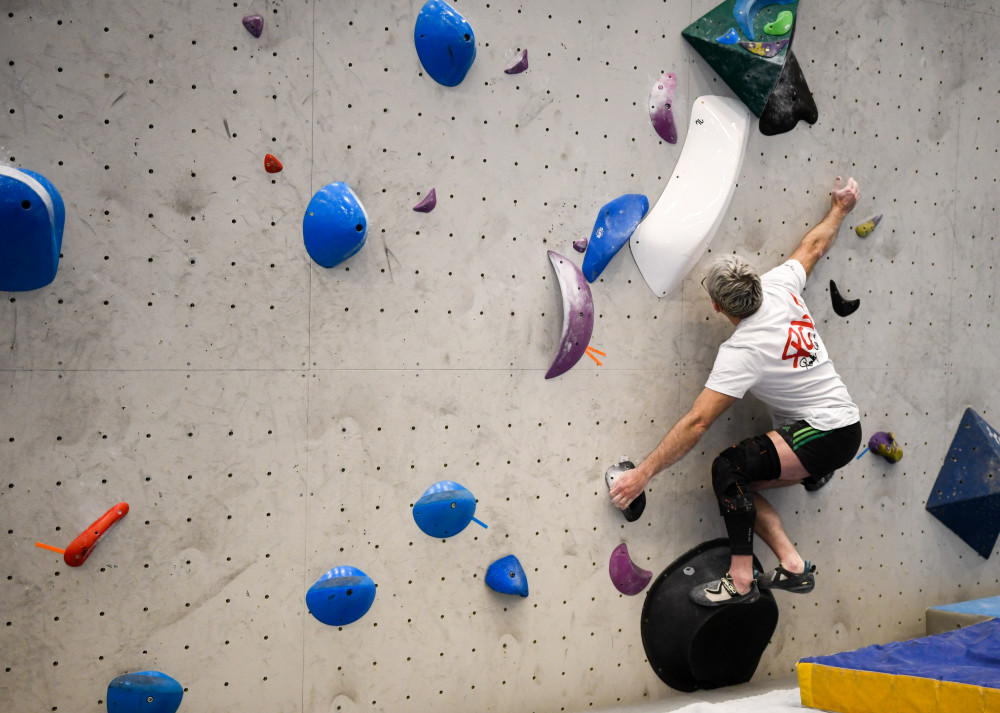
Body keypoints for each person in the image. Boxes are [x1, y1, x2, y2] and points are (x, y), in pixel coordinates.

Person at [609, 176, 863, 606]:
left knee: (729, 468)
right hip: (840, 425)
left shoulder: (742, 350)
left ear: (717, 306)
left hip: (825, 431)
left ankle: (741, 580)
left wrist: (643, 474)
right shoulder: (781, 284)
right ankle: (793, 562)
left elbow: (698, 422)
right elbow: (815, 246)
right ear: (756, 281)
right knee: (740, 487)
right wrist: (841, 208)